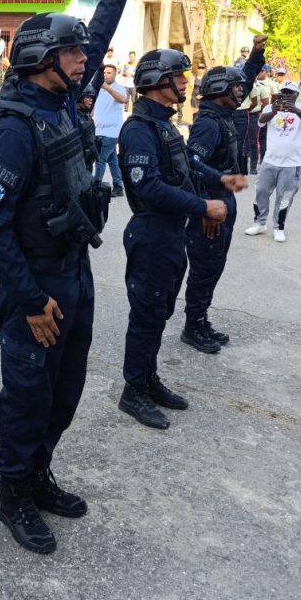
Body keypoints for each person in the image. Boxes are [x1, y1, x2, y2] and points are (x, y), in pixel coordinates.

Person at [0, 0, 137, 555]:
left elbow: (96, 34)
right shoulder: (16, 126)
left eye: (79, 54)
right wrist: (29, 298)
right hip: (37, 284)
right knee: (28, 394)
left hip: (74, 268)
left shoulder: (63, 98)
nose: (83, 60)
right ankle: (11, 492)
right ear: (42, 59)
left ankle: (39, 474)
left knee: (65, 389)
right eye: (71, 53)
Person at [117, 50, 235, 431]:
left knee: (160, 311)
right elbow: (147, 187)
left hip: (169, 234)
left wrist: (220, 180)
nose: (186, 82)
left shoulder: (166, 125)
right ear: (156, 82)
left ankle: (148, 379)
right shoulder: (138, 129)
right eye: (178, 76)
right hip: (151, 233)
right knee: (146, 314)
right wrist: (203, 206)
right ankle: (133, 390)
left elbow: (188, 162)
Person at [181, 36, 266, 353]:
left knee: (214, 266)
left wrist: (256, 55)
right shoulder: (208, 125)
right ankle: (192, 326)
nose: (240, 91)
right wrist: (207, 205)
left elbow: (246, 79)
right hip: (210, 205)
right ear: (219, 91)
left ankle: (200, 319)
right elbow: (192, 163)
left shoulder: (223, 115)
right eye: (233, 87)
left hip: (223, 202)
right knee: (204, 269)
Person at [244, 83, 301, 242]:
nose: (287, 96)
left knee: (285, 197)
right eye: (284, 93)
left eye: (290, 93)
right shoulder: (270, 108)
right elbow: (261, 122)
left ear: (297, 95)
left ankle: (279, 227)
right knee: (261, 191)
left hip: (293, 163)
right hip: (270, 160)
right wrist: (275, 111)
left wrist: (295, 110)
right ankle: (260, 222)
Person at [93, 63, 126, 197]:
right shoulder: (98, 89)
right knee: (112, 160)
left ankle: (96, 186)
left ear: (115, 74)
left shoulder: (119, 88)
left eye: (109, 73)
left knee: (100, 159)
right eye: (104, 73)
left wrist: (107, 88)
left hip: (111, 132)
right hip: (99, 131)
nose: (106, 75)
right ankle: (118, 186)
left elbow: (123, 99)